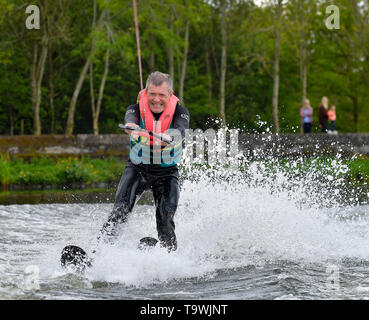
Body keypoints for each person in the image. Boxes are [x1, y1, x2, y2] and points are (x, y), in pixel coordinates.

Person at [97, 71, 190, 252]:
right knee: (119, 212)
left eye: (161, 95)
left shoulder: (181, 112)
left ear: (170, 95)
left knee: (165, 219)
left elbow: (181, 129)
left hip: (167, 174)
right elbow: (130, 118)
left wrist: (170, 136)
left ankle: (170, 260)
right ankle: (99, 254)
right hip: (137, 170)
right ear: (145, 92)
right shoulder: (135, 109)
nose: (156, 99)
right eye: (152, 94)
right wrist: (131, 126)